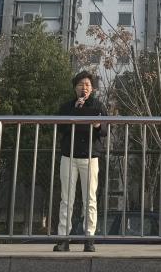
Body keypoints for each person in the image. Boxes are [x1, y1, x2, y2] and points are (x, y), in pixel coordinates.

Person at [54, 71, 107, 253]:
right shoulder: (67, 106)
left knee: (90, 199)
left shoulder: (98, 106)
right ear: (75, 88)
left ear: (92, 89)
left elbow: (106, 129)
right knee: (66, 199)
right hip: (69, 156)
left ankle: (89, 238)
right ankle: (63, 239)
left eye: (87, 85)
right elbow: (60, 128)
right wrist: (75, 111)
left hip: (90, 157)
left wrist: (97, 124)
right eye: (80, 84)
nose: (84, 88)